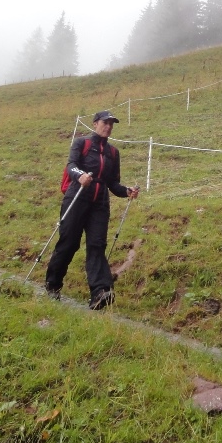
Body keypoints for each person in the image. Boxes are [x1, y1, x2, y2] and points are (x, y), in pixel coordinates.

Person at [45, 110, 140, 310]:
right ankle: (53, 284)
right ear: (95, 123)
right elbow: (71, 165)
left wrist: (127, 191)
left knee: (97, 245)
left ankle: (100, 292)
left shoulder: (113, 153)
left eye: (111, 124)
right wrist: (80, 175)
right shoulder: (82, 143)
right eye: (105, 123)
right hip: (77, 196)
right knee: (69, 243)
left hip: (100, 203)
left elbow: (113, 183)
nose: (109, 127)